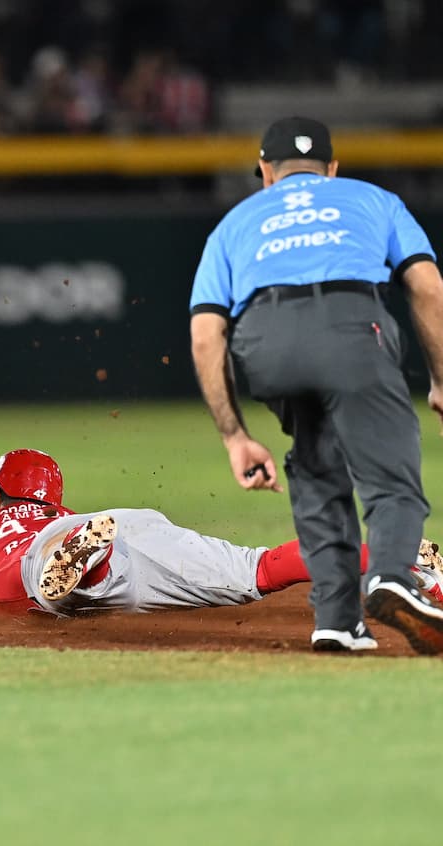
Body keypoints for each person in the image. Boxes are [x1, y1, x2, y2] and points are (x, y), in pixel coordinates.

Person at [0, 449, 443, 652]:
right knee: (257, 570)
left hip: (58, 555)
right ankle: (388, 551)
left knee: (25, 582)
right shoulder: (74, 510)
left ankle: (65, 575)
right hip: (124, 523)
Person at [188, 116, 443, 654]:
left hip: (263, 340)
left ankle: (336, 619)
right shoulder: (374, 199)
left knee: (315, 459)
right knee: (391, 477)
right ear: (330, 169)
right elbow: (428, 286)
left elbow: (206, 335)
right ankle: (392, 577)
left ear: (265, 172)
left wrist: (234, 435)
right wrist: (440, 379)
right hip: (350, 326)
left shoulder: (235, 222)